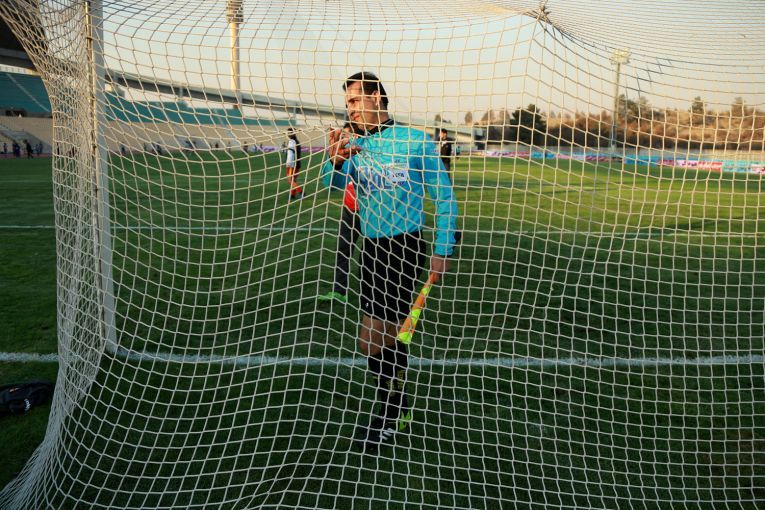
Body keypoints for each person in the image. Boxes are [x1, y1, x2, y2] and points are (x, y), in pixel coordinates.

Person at [322, 71, 458, 451]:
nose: (350, 108)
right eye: (347, 103)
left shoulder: (414, 141)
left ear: (377, 98)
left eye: (354, 100)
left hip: (405, 247)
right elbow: (333, 184)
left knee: (372, 338)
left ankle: (389, 414)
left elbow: (444, 197)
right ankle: (397, 403)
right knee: (381, 339)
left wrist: (443, 249)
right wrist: (335, 160)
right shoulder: (354, 144)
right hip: (371, 249)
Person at [318, 123, 362, 304]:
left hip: (373, 212)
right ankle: (339, 291)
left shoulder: (366, 153)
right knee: (343, 250)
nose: (345, 138)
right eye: (343, 135)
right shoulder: (343, 155)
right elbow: (329, 182)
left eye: (347, 135)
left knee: (373, 256)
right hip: (350, 210)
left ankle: (377, 293)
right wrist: (333, 162)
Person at [285, 128, 303, 200]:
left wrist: (288, 163)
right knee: (294, 180)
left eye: (289, 133)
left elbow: (291, 154)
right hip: (297, 163)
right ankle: (293, 195)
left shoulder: (292, 142)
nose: (288, 134)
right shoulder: (296, 141)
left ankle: (301, 192)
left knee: (290, 180)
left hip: (292, 164)